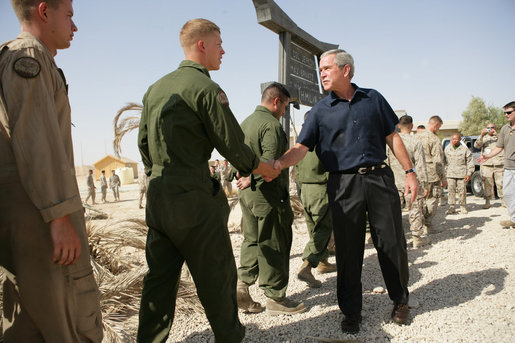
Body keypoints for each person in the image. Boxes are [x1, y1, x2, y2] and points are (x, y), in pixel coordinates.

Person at [136, 18, 279, 343]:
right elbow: (233, 145)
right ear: (202, 45)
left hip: (159, 199)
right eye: (219, 44)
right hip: (194, 202)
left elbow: (144, 144)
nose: (223, 51)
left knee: (158, 282)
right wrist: (261, 168)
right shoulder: (207, 89)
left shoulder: (155, 88)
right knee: (217, 279)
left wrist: (159, 176)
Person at [274, 49, 417, 333]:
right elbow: (301, 148)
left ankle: (400, 300)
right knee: (348, 250)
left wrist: (410, 173)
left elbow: (393, 137)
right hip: (342, 185)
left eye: (327, 68)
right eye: (320, 70)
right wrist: (278, 163)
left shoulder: (373, 99)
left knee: (391, 243)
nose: (322, 73)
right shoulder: (318, 112)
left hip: (379, 179)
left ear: (346, 70)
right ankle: (351, 311)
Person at [0, 0, 102, 341]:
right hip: (40, 214)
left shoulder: (29, 58)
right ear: (44, 11)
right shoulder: (28, 58)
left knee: (32, 317)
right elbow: (37, 141)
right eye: (69, 15)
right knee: (67, 315)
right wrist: (58, 218)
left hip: (30, 209)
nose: (75, 26)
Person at [235, 82, 306, 316]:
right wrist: (257, 177)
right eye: (285, 106)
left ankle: (241, 287)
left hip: (247, 195)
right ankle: (275, 297)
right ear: (276, 101)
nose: (285, 111)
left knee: (252, 240)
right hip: (268, 195)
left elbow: (234, 155)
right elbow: (270, 165)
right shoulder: (270, 126)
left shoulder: (246, 122)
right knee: (274, 242)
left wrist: (245, 177)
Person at [295, 111, 336, 289]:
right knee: (324, 229)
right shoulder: (323, 140)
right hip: (320, 189)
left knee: (314, 227)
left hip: (305, 190)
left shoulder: (300, 142)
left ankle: (322, 262)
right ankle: (307, 264)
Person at [386, 115, 430, 248]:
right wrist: (425, 184)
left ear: (398, 126)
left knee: (394, 212)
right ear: (412, 126)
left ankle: (394, 240)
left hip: (394, 182)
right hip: (411, 183)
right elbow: (421, 165)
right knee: (415, 209)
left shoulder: (390, 142)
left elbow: (385, 162)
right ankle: (417, 238)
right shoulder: (415, 141)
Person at [478, 101, 515, 227]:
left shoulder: (501, 131)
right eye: (504, 113)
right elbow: (499, 147)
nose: (506, 115)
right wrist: (486, 156)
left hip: (504, 166)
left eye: (509, 112)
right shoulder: (505, 129)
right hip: (508, 167)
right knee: (508, 193)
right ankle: (514, 219)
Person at [416, 116, 447, 233]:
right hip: (431, 175)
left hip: (418, 174)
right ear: (435, 125)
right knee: (432, 199)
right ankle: (428, 225)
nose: (438, 129)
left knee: (420, 199)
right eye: (439, 127)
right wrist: (443, 178)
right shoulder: (434, 139)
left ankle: (417, 225)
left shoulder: (416, 136)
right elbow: (438, 161)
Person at [474, 123, 504, 209]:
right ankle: (487, 201)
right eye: (488, 128)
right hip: (487, 164)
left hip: (499, 163)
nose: (490, 129)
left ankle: (503, 201)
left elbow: (507, 143)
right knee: (487, 184)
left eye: (492, 128)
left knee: (501, 184)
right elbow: (476, 145)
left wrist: (497, 135)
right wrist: (482, 134)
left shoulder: (500, 137)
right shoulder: (484, 138)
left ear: (496, 128)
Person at [444, 133, 474, 214]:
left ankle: (462, 206)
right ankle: (452, 207)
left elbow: (470, 162)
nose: (454, 140)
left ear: (460, 139)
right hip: (450, 174)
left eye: (456, 139)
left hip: (462, 173)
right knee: (451, 191)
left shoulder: (464, 149)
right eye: (453, 139)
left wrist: (469, 173)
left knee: (462, 191)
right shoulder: (447, 149)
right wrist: (444, 173)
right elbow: (445, 162)